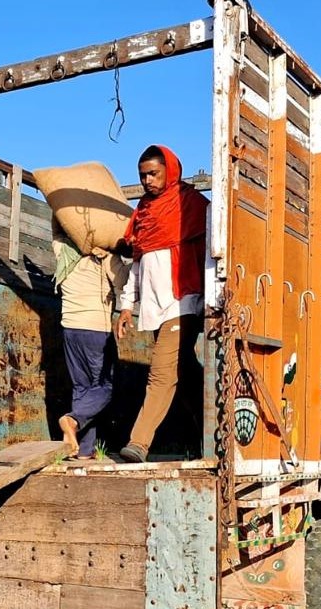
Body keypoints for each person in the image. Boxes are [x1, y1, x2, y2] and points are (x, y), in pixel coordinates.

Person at [114, 144, 209, 463]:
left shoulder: (191, 205)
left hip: (184, 302)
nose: (147, 181)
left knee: (161, 372)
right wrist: (127, 305)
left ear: (171, 170)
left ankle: (139, 443)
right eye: (142, 176)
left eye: (153, 173)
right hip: (154, 310)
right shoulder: (143, 213)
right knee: (187, 375)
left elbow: (214, 251)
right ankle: (211, 437)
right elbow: (138, 266)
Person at [54, 236, 129, 458]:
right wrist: (109, 257)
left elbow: (57, 224)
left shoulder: (63, 250)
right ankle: (72, 420)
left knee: (82, 388)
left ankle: (83, 450)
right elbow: (123, 282)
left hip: (69, 328)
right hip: (96, 330)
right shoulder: (106, 257)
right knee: (105, 387)